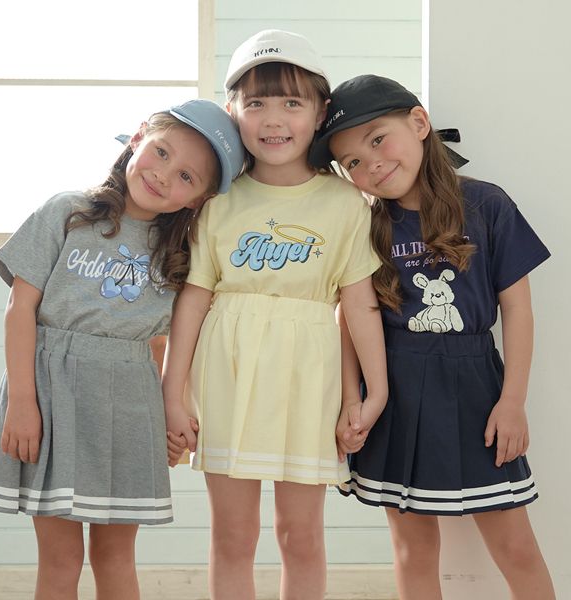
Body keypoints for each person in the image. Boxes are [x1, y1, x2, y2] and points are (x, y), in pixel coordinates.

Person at [0, 99, 244, 600]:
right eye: (161, 152)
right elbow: (19, 310)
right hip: (52, 398)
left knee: (115, 557)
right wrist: (23, 404)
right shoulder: (67, 212)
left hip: (130, 406)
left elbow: (160, 344)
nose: (163, 175)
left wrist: (167, 416)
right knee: (60, 558)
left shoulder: (180, 256)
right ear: (138, 138)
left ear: (199, 199)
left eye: (186, 176)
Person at [310, 74, 555, 600]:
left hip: (476, 388)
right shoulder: (365, 225)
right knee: (412, 550)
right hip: (396, 392)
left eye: (378, 140)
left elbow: (518, 309)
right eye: (352, 161)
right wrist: (352, 399)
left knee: (517, 548)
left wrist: (513, 401)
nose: (372, 164)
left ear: (419, 123)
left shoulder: (486, 205)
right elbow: (352, 319)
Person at [163, 30, 388, 600]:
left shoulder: (345, 203)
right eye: (256, 102)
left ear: (320, 113)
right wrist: (172, 392)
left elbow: (357, 305)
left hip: (308, 378)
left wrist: (371, 392)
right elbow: (193, 299)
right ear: (233, 110)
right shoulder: (218, 200)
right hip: (227, 374)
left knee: (301, 535)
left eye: (292, 102)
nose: (274, 119)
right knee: (233, 535)